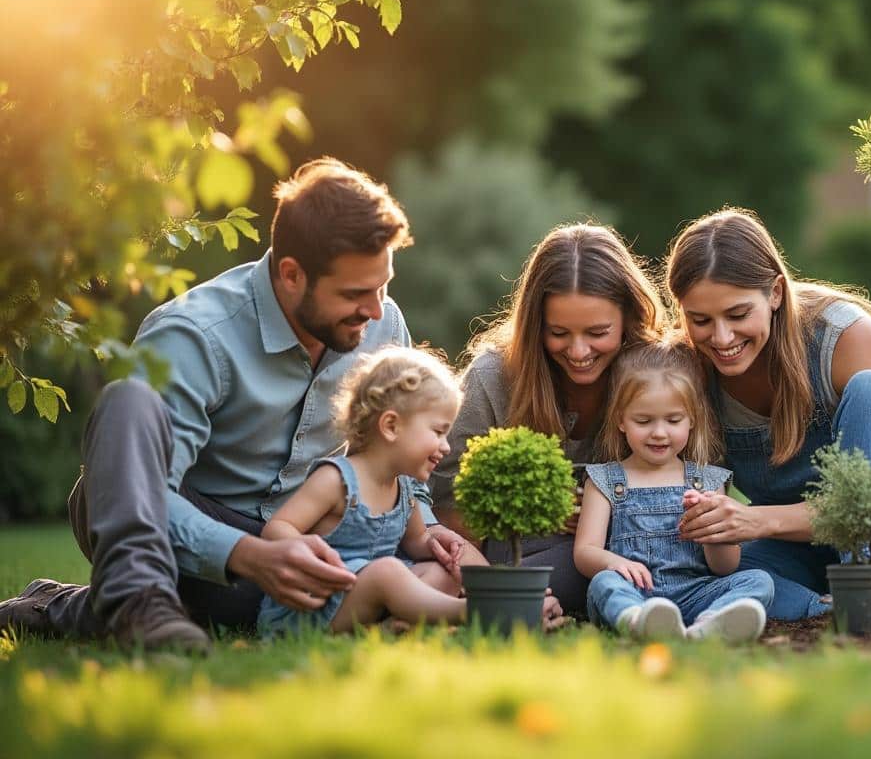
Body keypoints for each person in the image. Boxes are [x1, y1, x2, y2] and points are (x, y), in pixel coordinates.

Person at [0, 158, 519, 651]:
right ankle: (138, 597)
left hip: (316, 544)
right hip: (194, 538)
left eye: (383, 285)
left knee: (413, 582)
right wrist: (250, 555)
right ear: (292, 274)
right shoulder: (194, 335)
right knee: (128, 400)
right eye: (356, 292)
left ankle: (80, 609)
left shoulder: (381, 323)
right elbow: (150, 490)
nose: (376, 309)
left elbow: (394, 445)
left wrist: (425, 528)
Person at [665, 206, 871, 621]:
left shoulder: (844, 336)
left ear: (775, 292)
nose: (721, 338)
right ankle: (830, 606)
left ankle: (870, 588)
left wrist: (757, 521)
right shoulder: (687, 368)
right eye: (700, 319)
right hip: (792, 546)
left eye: (738, 315)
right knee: (697, 576)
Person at [431, 223, 666, 615]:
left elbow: (691, 474)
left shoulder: (656, 376)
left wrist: (604, 514)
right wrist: (546, 510)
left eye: (597, 332)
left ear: (629, 318)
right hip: (506, 552)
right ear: (535, 324)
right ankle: (503, 598)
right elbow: (446, 504)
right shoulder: (493, 378)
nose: (578, 351)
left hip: (633, 547)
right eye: (559, 332)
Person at [257, 346, 475, 635]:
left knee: (441, 572)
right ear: (391, 425)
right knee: (388, 572)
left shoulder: (405, 487)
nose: (446, 447)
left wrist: (436, 545)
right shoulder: (337, 480)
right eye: (438, 432)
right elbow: (277, 527)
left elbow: (416, 540)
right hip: (317, 607)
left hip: (368, 598)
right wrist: (312, 554)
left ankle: (391, 628)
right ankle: (469, 612)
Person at [575, 340, 772, 642]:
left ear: (692, 419)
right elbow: (585, 552)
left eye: (673, 420)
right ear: (621, 420)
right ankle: (638, 621)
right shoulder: (603, 479)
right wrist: (616, 563)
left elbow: (724, 567)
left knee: (758, 580)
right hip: (634, 593)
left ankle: (709, 625)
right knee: (603, 583)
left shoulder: (707, 481)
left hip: (695, 592)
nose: (659, 432)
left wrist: (709, 528)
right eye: (643, 420)